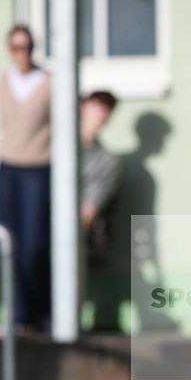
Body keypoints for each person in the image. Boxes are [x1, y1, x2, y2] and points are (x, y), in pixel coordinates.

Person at [0, 24, 52, 329]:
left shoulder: (49, 82)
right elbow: (6, 124)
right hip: (9, 168)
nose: (23, 53)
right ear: (10, 50)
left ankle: (40, 309)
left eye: (28, 47)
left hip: (39, 168)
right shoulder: (3, 82)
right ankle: (17, 314)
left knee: (35, 244)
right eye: (17, 47)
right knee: (10, 242)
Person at [80, 90, 123, 262]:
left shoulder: (107, 161)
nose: (102, 112)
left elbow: (88, 212)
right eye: (97, 105)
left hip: (74, 239)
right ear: (83, 106)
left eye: (108, 108)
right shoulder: (49, 146)